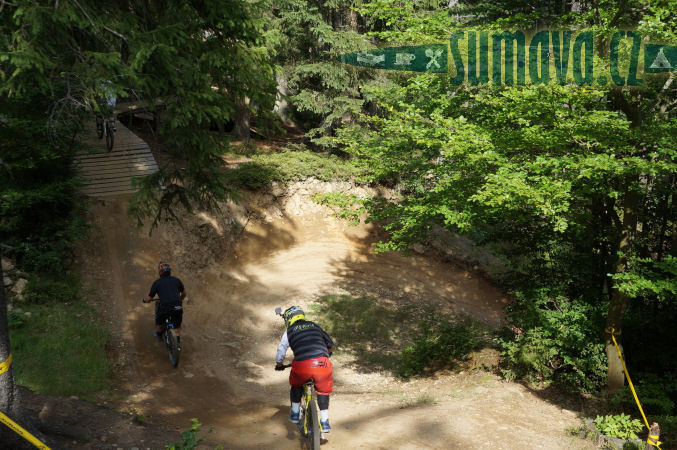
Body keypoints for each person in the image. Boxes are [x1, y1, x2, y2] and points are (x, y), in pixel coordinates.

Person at [275, 306, 335, 433]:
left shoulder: (289, 331)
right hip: (322, 364)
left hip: (302, 366)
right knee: (323, 392)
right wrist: (327, 355)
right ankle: (325, 422)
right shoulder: (314, 326)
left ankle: (295, 414)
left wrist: (279, 364)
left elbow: (281, 350)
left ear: (289, 319)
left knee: (296, 385)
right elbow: (330, 344)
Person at [142, 262, 186, 349]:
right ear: (169, 271)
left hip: (165, 307)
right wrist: (179, 300)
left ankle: (158, 334)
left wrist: (146, 301)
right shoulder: (177, 280)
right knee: (177, 327)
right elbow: (184, 293)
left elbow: (149, 297)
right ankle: (178, 344)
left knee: (159, 319)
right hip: (178, 307)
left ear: (160, 272)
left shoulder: (157, 283)